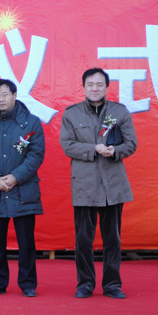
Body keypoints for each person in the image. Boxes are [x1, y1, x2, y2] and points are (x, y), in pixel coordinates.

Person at [60, 68, 137, 299]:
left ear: (106, 87)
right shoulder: (71, 114)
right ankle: (85, 284)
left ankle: (112, 284)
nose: (95, 88)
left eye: (99, 84)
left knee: (112, 238)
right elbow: (68, 145)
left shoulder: (119, 112)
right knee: (83, 239)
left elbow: (131, 143)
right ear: (84, 87)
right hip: (84, 184)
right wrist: (93, 148)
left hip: (113, 184)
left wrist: (115, 151)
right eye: (90, 84)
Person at [0, 79, 45, 298]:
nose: (1, 99)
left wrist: (16, 177)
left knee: (26, 242)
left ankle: (28, 283)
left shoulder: (31, 123)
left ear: (14, 95)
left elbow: (36, 155)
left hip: (24, 190)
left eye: (5, 94)